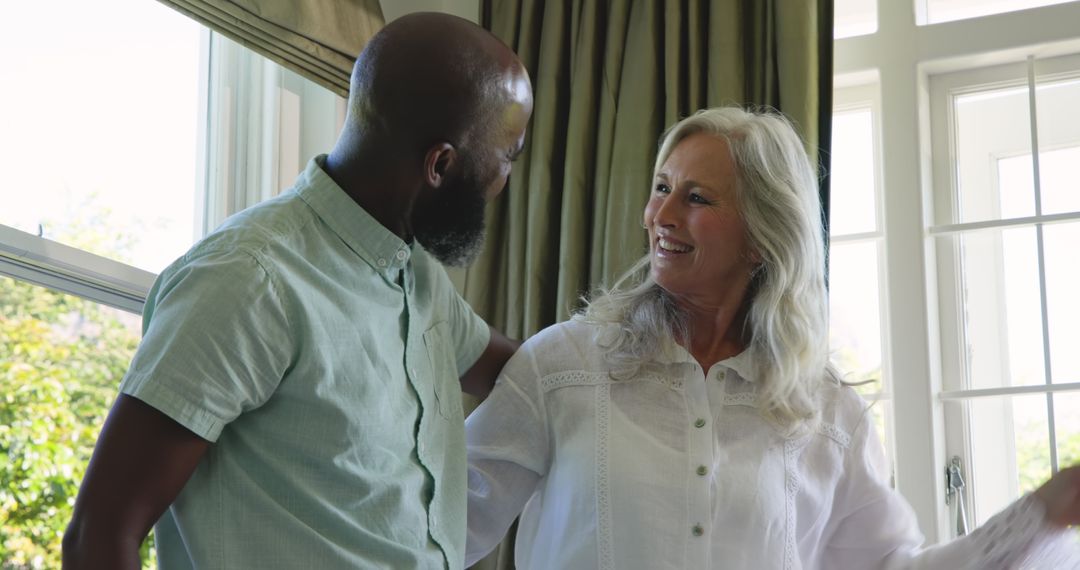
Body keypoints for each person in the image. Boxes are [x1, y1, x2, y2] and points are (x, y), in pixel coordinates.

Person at [463, 106, 1080, 569]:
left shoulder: (827, 412)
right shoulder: (563, 365)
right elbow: (442, 522)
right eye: (661, 187)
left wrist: (1037, 519)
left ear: (762, 238)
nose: (661, 214)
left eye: (696, 197)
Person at [62, 12, 533, 570]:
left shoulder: (418, 278)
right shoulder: (248, 279)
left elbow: (528, 375)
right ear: (440, 164)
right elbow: (98, 535)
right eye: (507, 158)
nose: (503, 181)